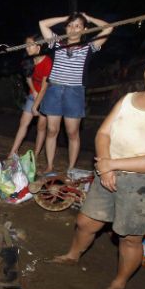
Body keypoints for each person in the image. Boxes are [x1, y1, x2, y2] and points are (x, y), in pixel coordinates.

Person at [47, 47, 145, 289]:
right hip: (108, 170)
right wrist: (106, 163)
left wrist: (112, 164)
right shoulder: (129, 99)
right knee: (86, 222)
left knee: (129, 239)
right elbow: (103, 133)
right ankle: (72, 256)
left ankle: (119, 282)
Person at [38, 12, 113, 172]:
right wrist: (66, 18)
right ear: (66, 28)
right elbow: (43, 23)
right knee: (52, 130)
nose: (73, 28)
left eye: (78, 25)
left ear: (85, 29)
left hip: (74, 92)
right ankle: (50, 165)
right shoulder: (57, 43)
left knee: (72, 132)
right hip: (54, 90)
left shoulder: (89, 47)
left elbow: (109, 28)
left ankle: (71, 168)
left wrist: (89, 17)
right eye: (70, 25)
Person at [8, 35, 53, 159]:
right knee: (23, 123)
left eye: (30, 45)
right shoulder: (26, 60)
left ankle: (36, 155)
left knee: (41, 127)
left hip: (47, 96)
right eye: (26, 45)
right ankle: (12, 152)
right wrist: (33, 91)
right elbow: (28, 79)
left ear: (38, 47)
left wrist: (36, 105)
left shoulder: (47, 61)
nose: (27, 48)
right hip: (34, 94)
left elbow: (44, 87)